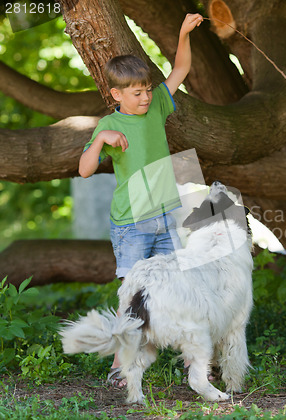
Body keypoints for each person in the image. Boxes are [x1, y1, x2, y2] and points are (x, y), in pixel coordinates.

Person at [79, 13, 204, 388]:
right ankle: (121, 364)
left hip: (167, 214)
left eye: (148, 89)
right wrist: (101, 141)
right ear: (116, 95)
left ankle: (192, 358)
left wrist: (182, 32)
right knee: (132, 293)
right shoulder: (110, 125)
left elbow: (181, 68)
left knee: (180, 283)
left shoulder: (157, 107)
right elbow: (85, 169)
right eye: (137, 93)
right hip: (132, 222)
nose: (146, 97)